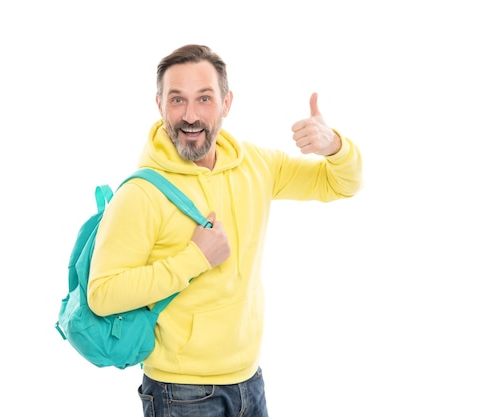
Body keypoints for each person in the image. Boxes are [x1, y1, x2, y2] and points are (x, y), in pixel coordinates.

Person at [87, 44, 363, 417]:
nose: (190, 115)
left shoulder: (256, 165)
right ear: (159, 105)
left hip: (250, 380)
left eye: (204, 99)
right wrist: (194, 259)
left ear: (226, 103)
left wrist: (336, 147)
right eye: (176, 100)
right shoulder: (142, 193)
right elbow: (103, 295)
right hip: (180, 391)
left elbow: (339, 184)